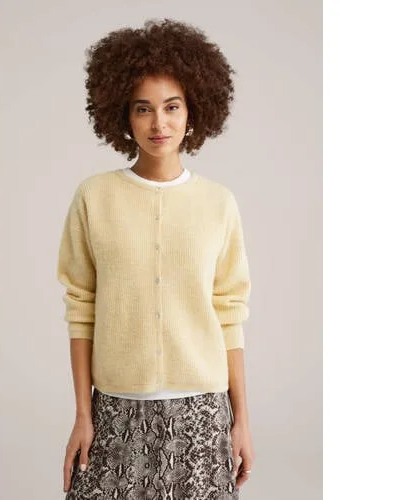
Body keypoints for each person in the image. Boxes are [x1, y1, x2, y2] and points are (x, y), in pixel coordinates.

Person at [57, 18, 255, 499]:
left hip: (202, 416)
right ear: (124, 116)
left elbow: (229, 312)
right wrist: (83, 415)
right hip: (115, 412)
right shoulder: (94, 197)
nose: (158, 123)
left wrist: (242, 421)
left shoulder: (219, 204)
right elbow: (81, 308)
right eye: (142, 108)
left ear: (193, 111)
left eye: (172, 106)